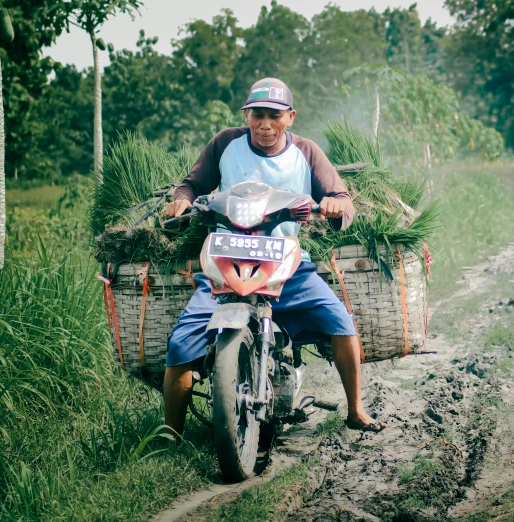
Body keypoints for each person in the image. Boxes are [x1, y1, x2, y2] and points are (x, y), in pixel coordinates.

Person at [163, 78, 386, 436]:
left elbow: (342, 199)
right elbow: (192, 185)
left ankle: (356, 410)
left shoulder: (307, 152)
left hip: (286, 263)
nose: (265, 125)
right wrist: (182, 200)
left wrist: (333, 205)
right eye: (257, 115)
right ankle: (170, 434)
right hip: (226, 260)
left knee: (341, 323)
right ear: (246, 115)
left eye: (274, 116)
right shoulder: (225, 144)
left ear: (290, 117)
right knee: (181, 342)